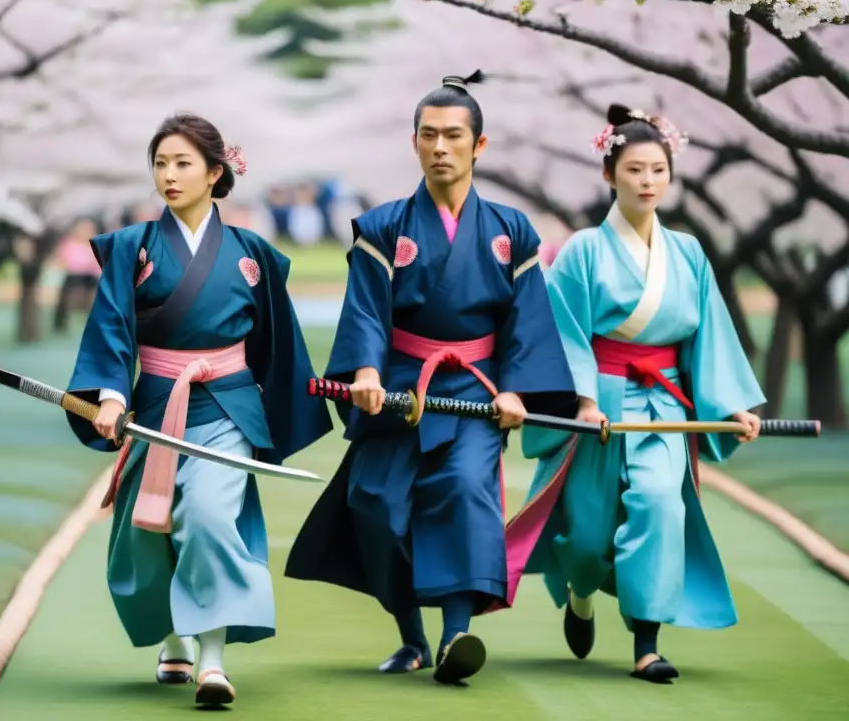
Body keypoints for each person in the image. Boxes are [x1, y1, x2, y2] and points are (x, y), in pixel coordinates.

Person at [285, 72, 578, 685]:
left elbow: (528, 319)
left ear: (480, 145)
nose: (440, 147)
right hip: (397, 388)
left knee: (466, 492)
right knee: (377, 506)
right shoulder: (384, 226)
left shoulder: (511, 230)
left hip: (477, 387)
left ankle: (456, 638)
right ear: (413, 143)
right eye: (428, 135)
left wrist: (518, 391)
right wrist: (363, 371)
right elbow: (364, 310)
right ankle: (411, 638)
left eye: (453, 136)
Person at [64, 113, 332, 706]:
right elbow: (111, 328)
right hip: (153, 407)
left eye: (183, 163)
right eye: (160, 163)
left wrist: (280, 404)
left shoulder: (250, 253)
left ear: (216, 172)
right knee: (149, 529)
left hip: (227, 410)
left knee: (209, 517)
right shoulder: (131, 248)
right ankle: (173, 640)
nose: (169, 175)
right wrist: (109, 395)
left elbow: (276, 341)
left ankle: (212, 659)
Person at [515, 104, 765, 683]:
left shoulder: (689, 252)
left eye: (658, 170)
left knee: (659, 504)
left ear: (671, 175)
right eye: (635, 170)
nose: (648, 181)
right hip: (599, 399)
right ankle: (579, 593)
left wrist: (731, 406)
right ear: (609, 175)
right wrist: (582, 401)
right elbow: (564, 332)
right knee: (587, 534)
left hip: (665, 405)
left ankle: (646, 643)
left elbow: (709, 334)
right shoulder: (581, 250)